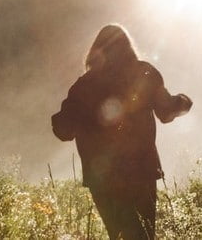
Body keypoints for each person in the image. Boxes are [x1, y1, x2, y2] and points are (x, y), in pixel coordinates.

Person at [51, 24, 192, 239]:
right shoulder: (144, 73)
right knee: (143, 235)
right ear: (128, 47)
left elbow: (64, 130)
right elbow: (166, 111)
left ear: (96, 50)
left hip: (102, 176)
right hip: (141, 170)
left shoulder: (84, 85)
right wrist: (182, 102)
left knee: (118, 234)